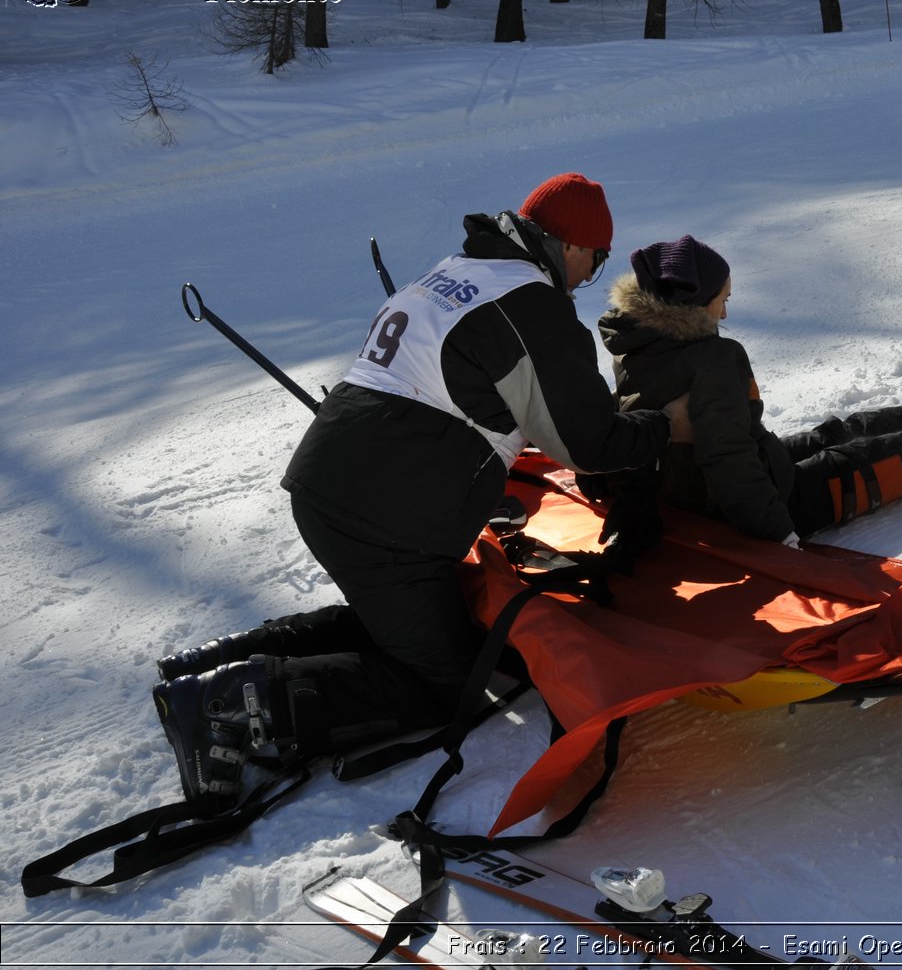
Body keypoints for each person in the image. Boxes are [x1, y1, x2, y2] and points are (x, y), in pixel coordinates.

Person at [151, 173, 687, 809]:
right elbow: (590, 442)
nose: (586, 278)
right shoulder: (534, 308)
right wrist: (665, 428)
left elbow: (474, 394)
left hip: (337, 482)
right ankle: (232, 704)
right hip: (384, 516)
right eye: (595, 263)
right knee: (445, 679)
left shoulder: (458, 271)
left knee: (409, 622)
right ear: (572, 247)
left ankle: (222, 661)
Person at [591, 235, 902, 546]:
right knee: (864, 459)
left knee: (837, 431)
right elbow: (727, 458)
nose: (725, 313)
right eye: (722, 300)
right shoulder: (713, 359)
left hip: (704, 485)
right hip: (771, 500)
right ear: (694, 304)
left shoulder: (636, 343)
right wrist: (778, 532)